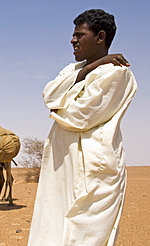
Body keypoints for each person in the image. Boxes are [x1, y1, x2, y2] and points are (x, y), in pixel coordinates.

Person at [28, 9, 137, 246]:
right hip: (61, 164)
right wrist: (87, 69)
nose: (72, 40)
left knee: (84, 235)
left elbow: (80, 117)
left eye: (79, 34)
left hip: (93, 165)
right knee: (53, 228)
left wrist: (59, 107)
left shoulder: (116, 72)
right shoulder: (73, 70)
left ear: (100, 37)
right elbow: (49, 96)